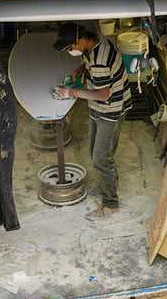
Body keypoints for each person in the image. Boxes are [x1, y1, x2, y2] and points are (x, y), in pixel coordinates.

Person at [52, 23, 130, 221]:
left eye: (70, 47)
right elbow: (88, 63)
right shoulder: (94, 43)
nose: (70, 50)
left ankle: (110, 204)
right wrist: (78, 71)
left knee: (101, 159)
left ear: (79, 40)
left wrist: (71, 92)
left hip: (110, 109)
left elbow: (103, 94)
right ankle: (110, 182)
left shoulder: (101, 60)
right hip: (98, 109)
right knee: (97, 151)